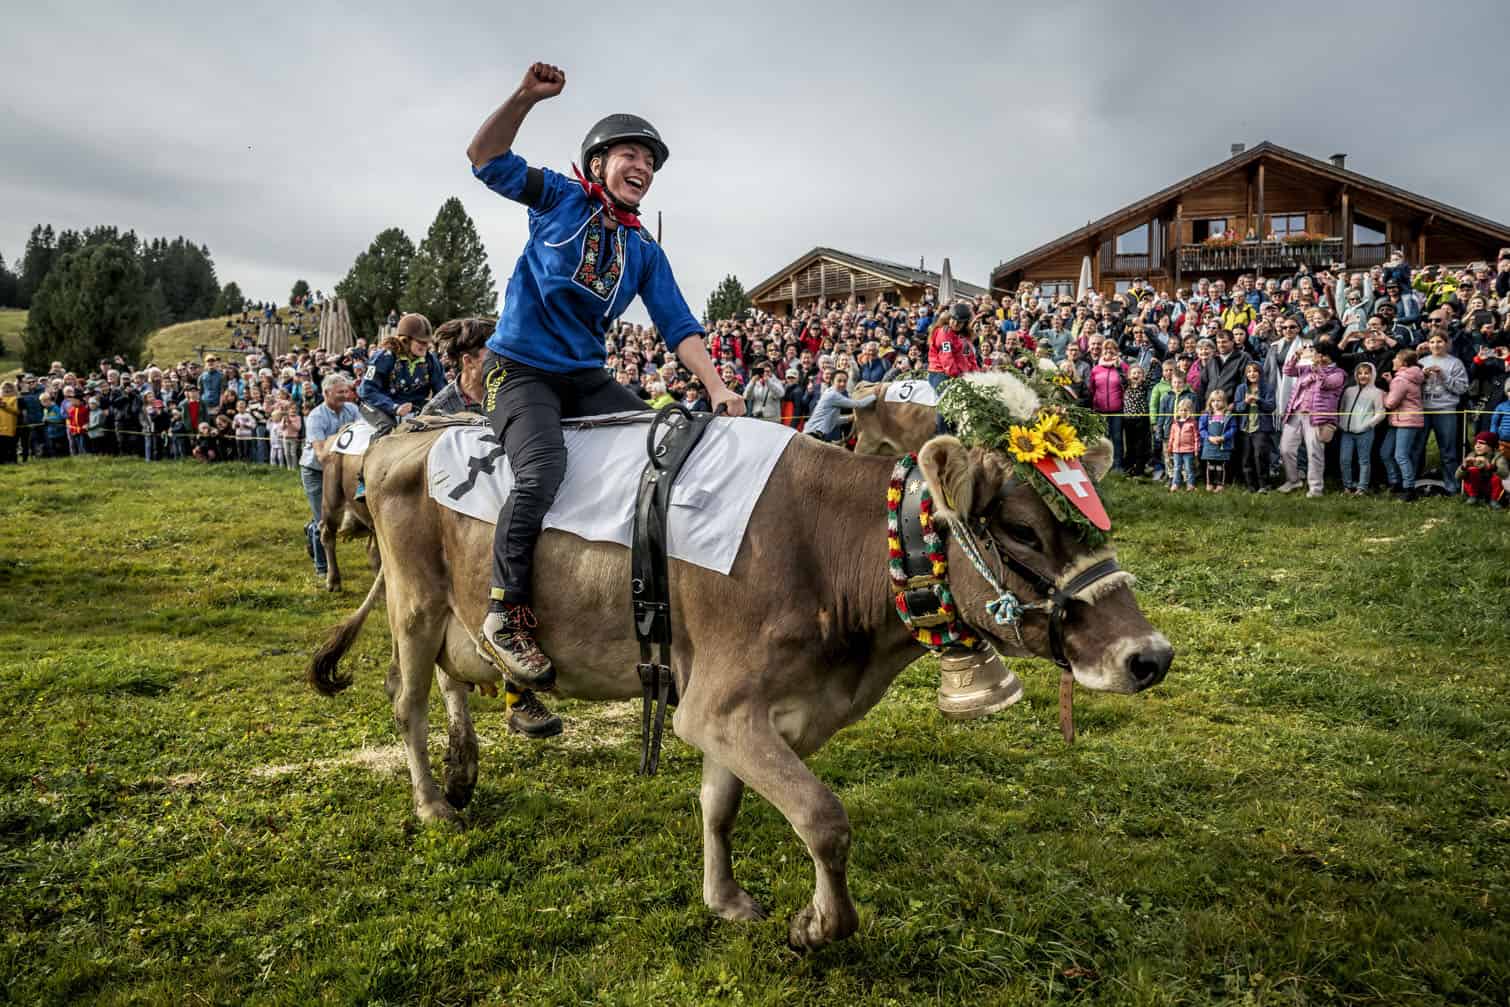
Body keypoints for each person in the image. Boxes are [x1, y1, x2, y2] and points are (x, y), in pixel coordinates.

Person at [466, 61, 744, 695]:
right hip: (518, 372)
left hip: (584, 377)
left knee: (666, 453)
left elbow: (680, 325)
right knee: (541, 471)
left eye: (649, 159)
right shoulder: (558, 199)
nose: (641, 165)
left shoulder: (644, 249)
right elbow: (484, 158)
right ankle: (505, 613)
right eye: (628, 153)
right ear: (597, 165)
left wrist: (718, 387)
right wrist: (524, 97)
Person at [299, 374, 362, 580]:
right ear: (326, 393)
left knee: (330, 513)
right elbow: (320, 454)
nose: (345, 396)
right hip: (316, 470)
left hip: (342, 470)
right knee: (324, 519)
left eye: (346, 391)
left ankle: (310, 530)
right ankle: (322, 567)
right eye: (340, 393)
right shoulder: (316, 416)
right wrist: (339, 439)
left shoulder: (352, 410)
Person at [357, 313, 446, 433]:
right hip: (376, 405)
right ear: (405, 340)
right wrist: (394, 407)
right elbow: (367, 390)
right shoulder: (383, 358)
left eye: (427, 342)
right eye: (421, 342)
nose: (426, 346)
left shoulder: (431, 360)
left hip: (412, 406)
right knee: (388, 427)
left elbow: (441, 391)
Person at [1278, 341, 1345, 498]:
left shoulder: (1338, 373)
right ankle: (1293, 480)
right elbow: (1287, 370)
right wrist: (1296, 356)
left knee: (1314, 452)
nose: (1315, 354)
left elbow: (1326, 384)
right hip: (1295, 413)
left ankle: (1315, 488)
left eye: (1318, 353)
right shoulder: (1306, 368)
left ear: (1327, 356)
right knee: (1285, 448)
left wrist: (1317, 368)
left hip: (1317, 418)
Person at [1415, 319, 1469, 495]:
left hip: (1445, 411)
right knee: (1417, 448)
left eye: (1439, 341)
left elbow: (1461, 388)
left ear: (1446, 344)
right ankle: (1412, 483)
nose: (1435, 344)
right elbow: (1410, 387)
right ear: (1428, 344)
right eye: (1432, 341)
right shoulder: (1422, 362)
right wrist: (1420, 377)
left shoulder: (1455, 363)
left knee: (1448, 450)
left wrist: (1444, 375)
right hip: (1423, 410)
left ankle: (1452, 485)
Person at [1381, 349, 1425, 501]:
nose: (1393, 360)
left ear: (1403, 363)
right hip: (1398, 420)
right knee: (1386, 452)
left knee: (1401, 455)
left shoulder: (1400, 379)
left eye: (1396, 358)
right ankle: (1395, 482)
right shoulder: (1406, 377)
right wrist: (1390, 383)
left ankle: (1409, 488)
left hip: (1406, 421)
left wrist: (1383, 395)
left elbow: (1391, 403)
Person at [1337, 362, 1387, 495]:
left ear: (1372, 374)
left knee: (1364, 460)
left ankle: (1362, 487)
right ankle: (1347, 486)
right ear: (1355, 375)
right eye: (1360, 373)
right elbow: (1342, 408)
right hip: (1346, 432)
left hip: (1365, 432)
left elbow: (1381, 413)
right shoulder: (1349, 391)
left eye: (1366, 373)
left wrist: (1368, 425)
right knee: (1344, 459)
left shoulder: (1376, 393)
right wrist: (1341, 423)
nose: (1363, 376)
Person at [805, 370, 876, 443]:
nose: (842, 384)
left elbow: (833, 420)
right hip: (813, 436)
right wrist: (875, 395)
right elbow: (859, 404)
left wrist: (848, 418)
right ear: (832, 382)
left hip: (814, 435)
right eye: (839, 381)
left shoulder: (829, 392)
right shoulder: (833, 395)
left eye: (845, 381)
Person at [1198, 389, 1235, 491]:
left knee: (1220, 466)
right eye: (1213, 401)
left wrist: (1224, 437)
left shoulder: (1228, 415)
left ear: (1224, 402)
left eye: (1219, 401)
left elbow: (1233, 428)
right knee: (1210, 465)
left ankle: (1220, 484)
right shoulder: (1206, 414)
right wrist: (1209, 437)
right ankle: (1209, 483)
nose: (1216, 403)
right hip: (1209, 444)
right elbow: (1201, 429)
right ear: (1210, 402)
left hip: (1222, 444)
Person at [1455, 431, 1506, 506]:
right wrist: (1464, 467)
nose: (1477, 446)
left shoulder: (1498, 457)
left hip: (1491, 488)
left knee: (1497, 477)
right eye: (1476, 443)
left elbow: (1504, 474)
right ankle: (1473, 497)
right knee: (1472, 470)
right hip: (1476, 487)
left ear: (1491, 446)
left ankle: (1494, 500)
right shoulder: (1472, 455)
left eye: (1482, 443)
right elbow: (1457, 477)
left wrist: (1489, 466)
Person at [1167, 399, 1198, 492]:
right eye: (1181, 410)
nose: (1183, 412)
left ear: (1190, 411)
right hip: (1176, 450)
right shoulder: (1175, 423)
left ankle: (1190, 484)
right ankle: (1175, 484)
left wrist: (1196, 449)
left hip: (1188, 450)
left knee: (1189, 468)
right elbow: (1171, 437)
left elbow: (1196, 437)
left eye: (1186, 410)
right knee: (1177, 468)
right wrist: (1169, 447)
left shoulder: (1192, 423)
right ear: (1178, 411)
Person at [0, 381, 18, 464]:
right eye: (4, 388)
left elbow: (16, 411)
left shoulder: (15, 399)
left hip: (9, 426)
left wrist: (5, 406)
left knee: (10, 445)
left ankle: (12, 460)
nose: (6, 390)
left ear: (13, 389)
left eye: (9, 388)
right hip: (0, 427)